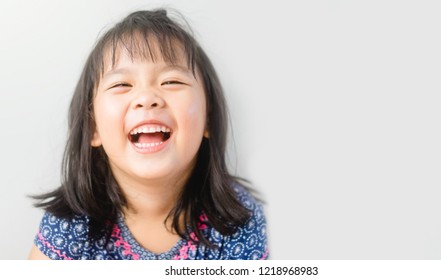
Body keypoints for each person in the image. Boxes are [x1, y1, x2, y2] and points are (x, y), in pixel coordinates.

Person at [28, 8, 268, 260]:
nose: (146, 98)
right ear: (93, 128)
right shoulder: (71, 221)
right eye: (122, 85)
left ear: (208, 118)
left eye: (171, 81)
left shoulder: (240, 219)